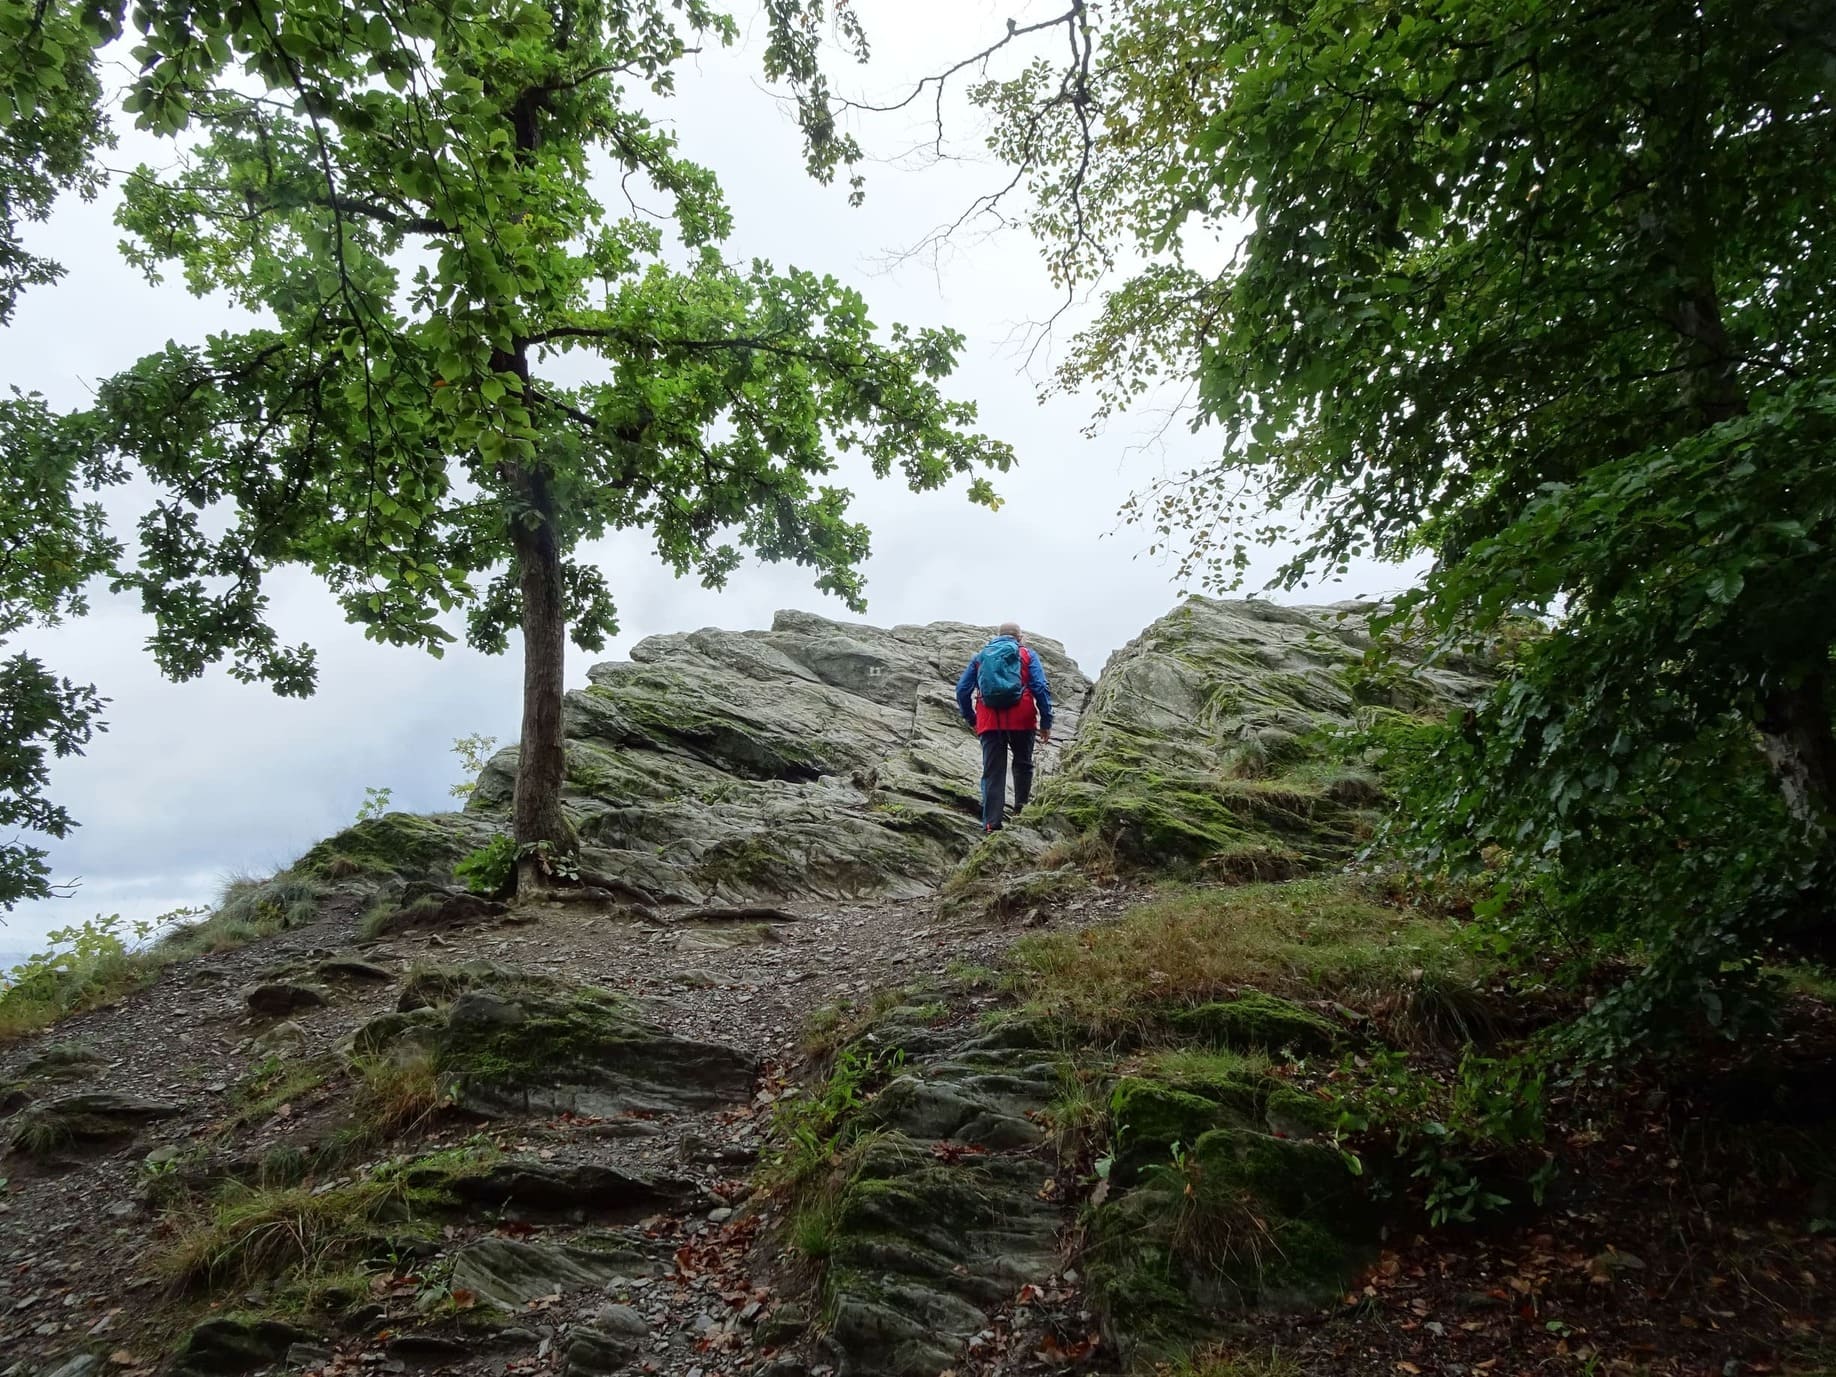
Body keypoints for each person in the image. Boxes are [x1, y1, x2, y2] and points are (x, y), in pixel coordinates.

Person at [956, 622, 1054, 833]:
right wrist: (1046, 721)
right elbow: (1039, 686)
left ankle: (992, 824)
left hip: (989, 722)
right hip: (1023, 718)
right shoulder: (1027, 655)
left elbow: (962, 691)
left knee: (993, 772)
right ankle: (1021, 811)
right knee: (1023, 764)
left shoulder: (981, 657)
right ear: (1020, 637)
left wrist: (972, 718)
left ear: (997, 636)